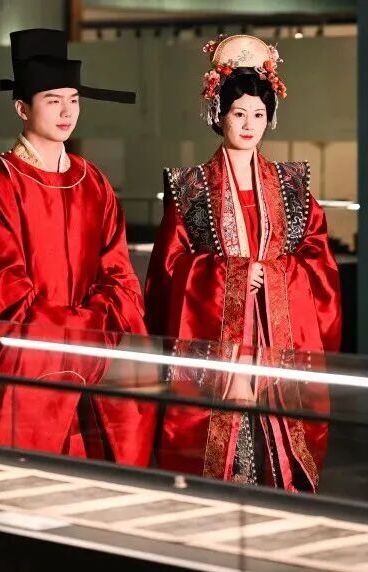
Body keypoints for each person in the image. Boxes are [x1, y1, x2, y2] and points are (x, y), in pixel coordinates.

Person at [0, 28, 155, 466]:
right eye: (52, 100)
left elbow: (119, 275)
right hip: (31, 369)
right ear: (22, 108)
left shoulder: (95, 183)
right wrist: (78, 331)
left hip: (94, 363)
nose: (67, 112)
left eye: (74, 100)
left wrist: (89, 330)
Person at [145, 35, 341, 491]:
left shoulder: (292, 186)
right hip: (219, 349)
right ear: (219, 115)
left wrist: (274, 275)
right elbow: (168, 270)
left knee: (277, 466)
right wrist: (228, 278)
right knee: (222, 470)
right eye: (238, 114)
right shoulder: (191, 188)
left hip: (278, 339)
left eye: (258, 114)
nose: (249, 124)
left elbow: (318, 259)